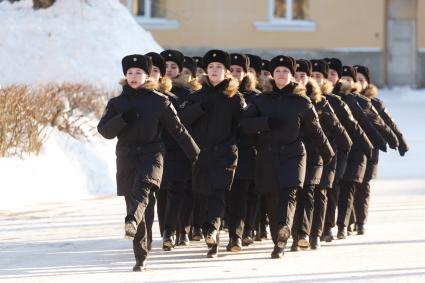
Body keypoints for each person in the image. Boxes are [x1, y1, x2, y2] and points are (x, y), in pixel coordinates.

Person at [97, 54, 199, 271]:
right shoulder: (117, 103)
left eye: (139, 73)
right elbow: (104, 131)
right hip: (126, 156)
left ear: (148, 75)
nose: (134, 77)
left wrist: (194, 153)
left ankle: (131, 219)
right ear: (125, 75)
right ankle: (141, 256)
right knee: (136, 200)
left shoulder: (160, 100)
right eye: (130, 73)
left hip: (152, 154)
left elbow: (178, 130)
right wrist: (123, 118)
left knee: (143, 188)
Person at [240, 55, 334, 259]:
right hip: (267, 156)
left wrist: (328, 152)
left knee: (289, 193)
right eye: (278, 71)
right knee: (273, 198)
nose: (281, 74)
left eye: (285, 71)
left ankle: (284, 229)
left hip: (294, 154)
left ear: (292, 76)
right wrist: (265, 122)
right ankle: (279, 239)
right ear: (272, 75)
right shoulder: (261, 100)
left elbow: (316, 130)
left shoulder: (302, 102)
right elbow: (244, 124)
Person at [181, 49, 245, 258]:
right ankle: (212, 238)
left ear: (226, 72)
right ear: (206, 71)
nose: (215, 70)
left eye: (219, 67)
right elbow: (182, 121)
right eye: (211, 67)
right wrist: (199, 107)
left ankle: (213, 230)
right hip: (201, 155)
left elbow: (243, 125)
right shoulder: (196, 96)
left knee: (218, 193)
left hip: (225, 154)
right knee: (205, 195)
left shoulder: (235, 98)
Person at [292, 59, 352, 251]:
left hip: (320, 155)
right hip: (294, 156)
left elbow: (340, 128)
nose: (300, 79)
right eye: (297, 75)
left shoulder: (323, 101)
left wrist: (344, 150)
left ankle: (317, 233)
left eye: (305, 75)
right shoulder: (287, 99)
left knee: (319, 193)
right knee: (297, 195)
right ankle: (298, 234)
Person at [319, 58, 373, 242]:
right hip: (332, 150)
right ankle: (327, 225)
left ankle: (343, 224)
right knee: (332, 188)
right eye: (330, 73)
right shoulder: (319, 98)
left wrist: (372, 147)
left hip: (355, 150)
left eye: (335, 74)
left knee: (349, 187)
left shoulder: (353, 100)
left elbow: (365, 125)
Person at [353, 65, 409, 234]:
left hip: (370, 150)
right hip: (350, 149)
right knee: (349, 185)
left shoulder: (375, 104)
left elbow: (389, 124)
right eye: (355, 80)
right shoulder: (344, 101)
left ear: (368, 83)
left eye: (362, 80)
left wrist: (400, 141)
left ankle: (360, 221)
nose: (358, 83)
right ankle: (347, 220)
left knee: (363, 185)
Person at [158, 50, 202, 250]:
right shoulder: (153, 92)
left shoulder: (188, 93)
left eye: (173, 66)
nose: (169, 70)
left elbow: (192, 121)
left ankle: (178, 230)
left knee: (179, 189)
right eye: (165, 66)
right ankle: (165, 231)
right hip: (159, 148)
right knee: (161, 192)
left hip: (181, 148)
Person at [226, 53, 261, 252]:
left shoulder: (255, 97)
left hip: (249, 150)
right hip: (227, 151)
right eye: (231, 70)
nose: (235, 73)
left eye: (239, 70)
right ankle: (235, 235)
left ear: (246, 73)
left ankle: (249, 228)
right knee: (234, 194)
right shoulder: (223, 95)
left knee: (250, 192)